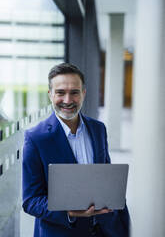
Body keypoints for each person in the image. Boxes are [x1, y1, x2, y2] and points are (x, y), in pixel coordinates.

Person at [22, 63, 130, 237]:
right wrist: (69, 212)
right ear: (50, 94)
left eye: (74, 92)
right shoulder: (36, 138)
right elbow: (30, 201)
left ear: (83, 94)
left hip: (105, 230)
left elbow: (105, 176)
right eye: (60, 93)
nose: (67, 100)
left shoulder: (98, 129)